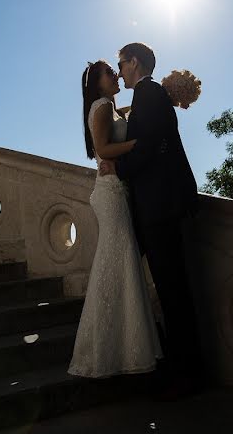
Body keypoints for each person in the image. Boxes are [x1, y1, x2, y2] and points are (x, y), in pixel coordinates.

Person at [100, 42, 202, 400]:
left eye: (121, 64)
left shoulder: (150, 92)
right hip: (155, 204)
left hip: (162, 205)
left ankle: (188, 373)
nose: (119, 70)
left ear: (135, 62)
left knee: (173, 290)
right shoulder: (146, 96)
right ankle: (171, 364)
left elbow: (148, 145)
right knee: (164, 288)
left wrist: (118, 169)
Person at [67, 60, 163, 379]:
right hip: (111, 193)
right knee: (116, 262)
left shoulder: (110, 106)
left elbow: (132, 117)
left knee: (121, 264)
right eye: (110, 73)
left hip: (119, 190)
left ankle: (122, 346)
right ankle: (107, 351)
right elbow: (103, 148)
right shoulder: (101, 106)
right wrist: (140, 144)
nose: (116, 75)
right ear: (98, 83)